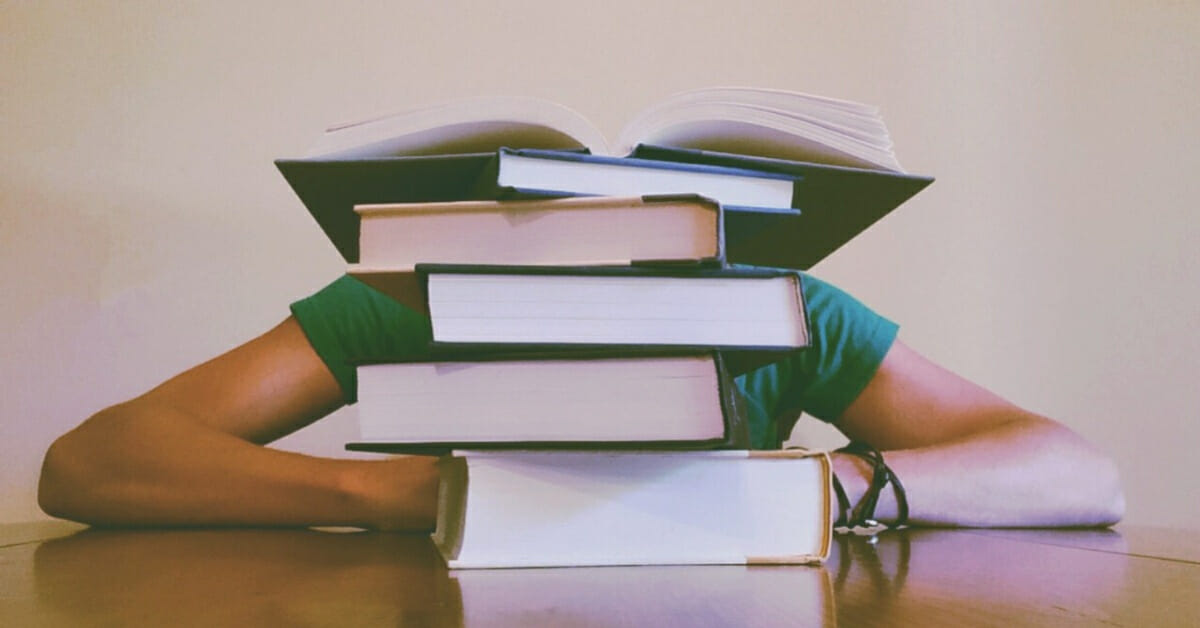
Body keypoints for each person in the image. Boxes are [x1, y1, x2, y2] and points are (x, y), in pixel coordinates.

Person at [37, 273, 1124, 531]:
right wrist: (410, 492)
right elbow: (89, 462)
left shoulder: (779, 310)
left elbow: (1079, 470)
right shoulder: (417, 294)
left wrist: (836, 483)